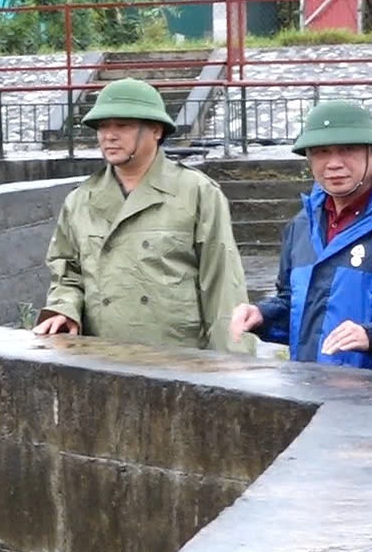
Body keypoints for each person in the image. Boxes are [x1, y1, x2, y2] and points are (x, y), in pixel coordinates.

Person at [229, 101, 372, 373]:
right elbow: (297, 307)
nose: (334, 164)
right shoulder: (302, 225)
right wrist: (262, 316)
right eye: (322, 152)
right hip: (312, 389)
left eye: (347, 150)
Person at [34, 78, 249, 352]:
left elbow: (222, 284)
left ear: (156, 131)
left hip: (177, 361)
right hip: (101, 357)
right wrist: (64, 310)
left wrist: (233, 368)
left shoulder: (196, 192)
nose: (109, 136)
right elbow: (66, 273)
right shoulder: (80, 200)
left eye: (122, 125)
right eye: (102, 126)